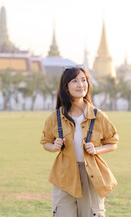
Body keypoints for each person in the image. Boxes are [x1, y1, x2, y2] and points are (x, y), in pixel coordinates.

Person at [40, 66, 119, 217]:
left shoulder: (98, 116)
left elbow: (113, 143)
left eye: (84, 80)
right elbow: (45, 142)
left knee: (92, 214)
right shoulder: (55, 117)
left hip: (91, 174)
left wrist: (96, 150)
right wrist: (54, 146)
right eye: (75, 81)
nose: (80, 85)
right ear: (66, 86)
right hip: (64, 174)